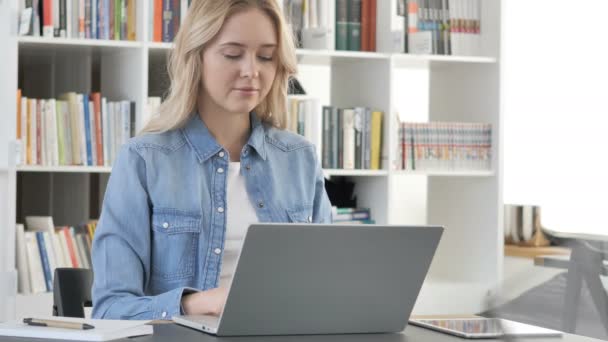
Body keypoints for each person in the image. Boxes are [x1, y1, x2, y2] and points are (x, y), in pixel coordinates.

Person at [92, 0, 332, 320]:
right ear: (196, 57)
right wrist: (197, 303)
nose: (251, 71)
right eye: (233, 54)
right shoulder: (144, 160)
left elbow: (327, 288)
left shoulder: (300, 158)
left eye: (266, 56)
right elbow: (110, 308)